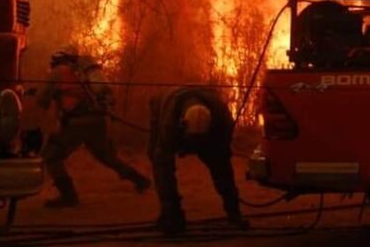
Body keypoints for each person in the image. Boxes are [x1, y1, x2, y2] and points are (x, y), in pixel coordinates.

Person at [36, 47, 150, 207]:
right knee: (106, 157)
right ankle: (140, 180)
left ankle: (69, 196)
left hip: (77, 122)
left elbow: (41, 100)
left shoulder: (57, 72)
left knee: (52, 156)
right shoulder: (83, 73)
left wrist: (41, 95)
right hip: (97, 120)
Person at [148, 86, 248, 235]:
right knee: (160, 163)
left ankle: (234, 213)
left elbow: (223, 163)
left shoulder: (221, 118)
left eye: (198, 140)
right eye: (193, 139)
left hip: (210, 137)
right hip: (167, 109)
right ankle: (172, 214)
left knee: (222, 169)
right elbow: (164, 166)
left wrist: (233, 207)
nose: (196, 145)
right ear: (183, 124)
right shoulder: (169, 121)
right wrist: (170, 210)